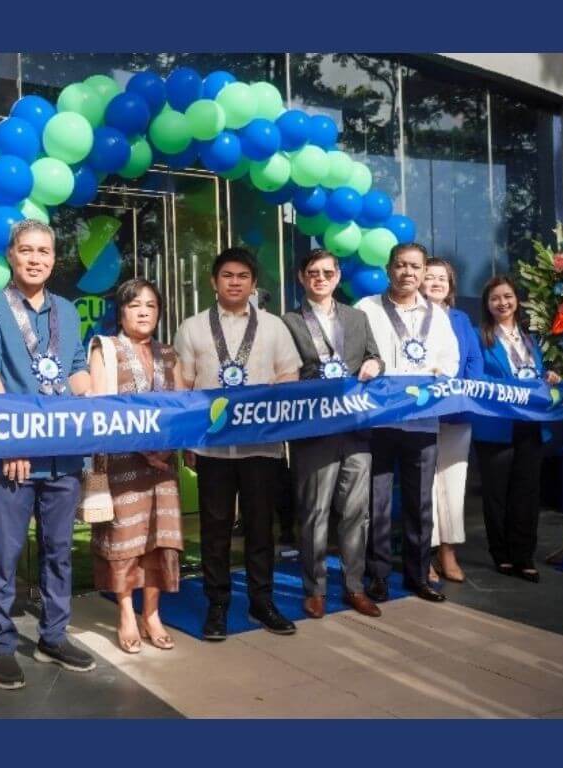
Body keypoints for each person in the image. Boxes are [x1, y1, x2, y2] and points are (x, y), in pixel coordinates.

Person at [0, 219, 95, 690]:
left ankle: (53, 636)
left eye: (44, 251)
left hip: (64, 455)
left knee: (60, 552)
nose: (36, 258)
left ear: (53, 258)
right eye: (27, 250)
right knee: (5, 555)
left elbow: (77, 369)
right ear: (11, 256)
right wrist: (13, 440)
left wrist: (95, 411)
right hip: (13, 456)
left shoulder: (65, 309)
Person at [174, 247, 302, 641]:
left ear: (253, 283)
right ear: (214, 282)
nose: (234, 282)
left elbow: (289, 375)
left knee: (261, 528)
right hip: (212, 448)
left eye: (242, 275)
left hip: (260, 447)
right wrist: (188, 442)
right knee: (214, 531)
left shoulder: (274, 326)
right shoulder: (192, 327)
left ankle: (262, 602)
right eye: (227, 275)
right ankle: (217, 605)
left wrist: (258, 406)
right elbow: (184, 387)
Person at [282, 249, 384, 620]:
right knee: (314, 513)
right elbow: (284, 372)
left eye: (327, 272)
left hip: (355, 428)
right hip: (313, 431)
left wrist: (376, 363)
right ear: (302, 277)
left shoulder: (357, 317)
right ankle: (315, 589)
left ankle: (354, 588)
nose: (320, 278)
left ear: (338, 277)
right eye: (313, 273)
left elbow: (376, 357)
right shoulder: (288, 321)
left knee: (357, 513)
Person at [355, 243, 459, 604]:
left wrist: (438, 374)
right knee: (378, 503)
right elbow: (354, 354)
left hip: (422, 421)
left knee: (420, 504)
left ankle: (419, 575)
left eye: (415, 266)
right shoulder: (366, 308)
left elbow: (451, 361)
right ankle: (378, 576)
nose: (408, 273)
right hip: (378, 423)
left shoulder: (438, 315)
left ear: (422, 271)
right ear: (389, 269)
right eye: (401, 265)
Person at [88, 278, 184, 654]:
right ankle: (126, 613)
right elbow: (101, 407)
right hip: (121, 462)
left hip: (163, 463)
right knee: (126, 542)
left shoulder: (168, 353)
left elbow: (181, 407)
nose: (144, 312)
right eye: (134, 305)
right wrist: (142, 446)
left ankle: (153, 613)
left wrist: (167, 447)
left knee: (161, 539)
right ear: (121, 311)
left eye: (151, 305)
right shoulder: (105, 348)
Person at [473, 275, 559, 583]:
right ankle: (502, 554)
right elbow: (476, 379)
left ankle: (524, 556)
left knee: (527, 492)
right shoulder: (478, 336)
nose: (502, 303)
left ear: (516, 300)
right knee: (497, 494)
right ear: (487, 304)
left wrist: (548, 377)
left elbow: (541, 372)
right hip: (496, 426)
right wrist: (514, 388)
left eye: (507, 296)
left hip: (531, 425)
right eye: (495, 298)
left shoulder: (530, 337)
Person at [420, 258, 484, 584]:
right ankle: (425, 554)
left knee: (453, 483)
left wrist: (463, 394)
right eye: (428, 276)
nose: (435, 282)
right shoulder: (412, 318)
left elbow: (474, 361)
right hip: (422, 414)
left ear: (450, 284)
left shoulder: (461, 319)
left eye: (441, 278)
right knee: (425, 486)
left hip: (457, 413)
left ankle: (448, 550)